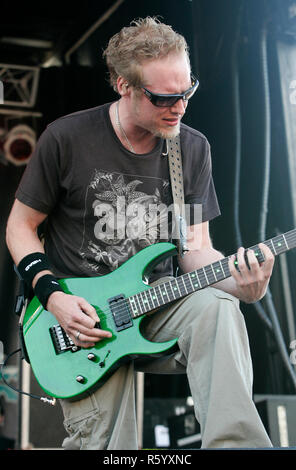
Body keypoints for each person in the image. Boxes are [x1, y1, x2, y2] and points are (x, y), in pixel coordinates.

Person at [6, 17, 275, 450]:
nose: (180, 106)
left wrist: (243, 283)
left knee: (219, 306)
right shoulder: (67, 138)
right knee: (114, 449)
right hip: (84, 321)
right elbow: (20, 226)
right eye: (164, 97)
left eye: (187, 91)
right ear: (122, 85)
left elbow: (194, 250)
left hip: (157, 302)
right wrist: (53, 297)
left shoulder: (191, 149)